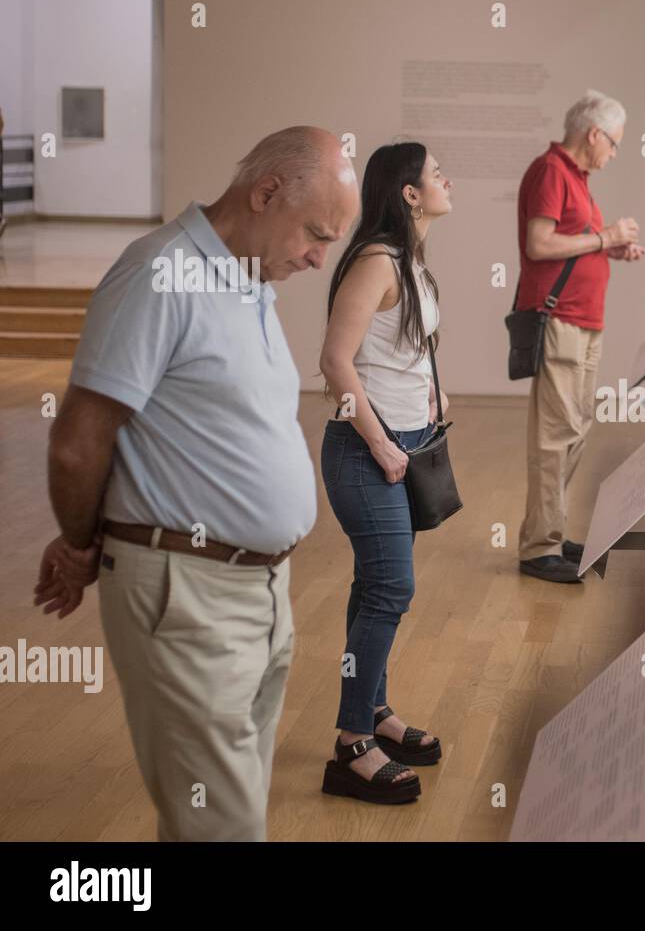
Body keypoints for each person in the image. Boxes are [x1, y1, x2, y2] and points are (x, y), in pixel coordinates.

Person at [32, 126, 359, 840]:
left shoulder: (248, 283)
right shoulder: (160, 273)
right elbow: (77, 441)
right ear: (266, 192)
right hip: (188, 595)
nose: (318, 256)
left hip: (260, 594)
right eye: (315, 234)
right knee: (223, 828)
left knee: (217, 816)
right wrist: (81, 545)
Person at [317, 142, 451, 804]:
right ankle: (350, 747)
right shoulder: (375, 260)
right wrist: (380, 441)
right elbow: (335, 362)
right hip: (365, 450)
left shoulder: (411, 261)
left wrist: (432, 392)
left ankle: (372, 712)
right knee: (392, 589)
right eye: (436, 173)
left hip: (405, 441)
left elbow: (398, 352)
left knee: (374, 585)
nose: (445, 179)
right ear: (408, 191)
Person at [515, 90, 645, 583]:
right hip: (562, 322)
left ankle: (550, 533)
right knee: (556, 437)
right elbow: (539, 242)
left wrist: (610, 250)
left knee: (574, 433)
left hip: (584, 322)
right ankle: (538, 548)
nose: (613, 155)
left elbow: (571, 246)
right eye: (613, 144)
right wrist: (605, 238)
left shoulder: (577, 178)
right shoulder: (551, 171)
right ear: (594, 134)